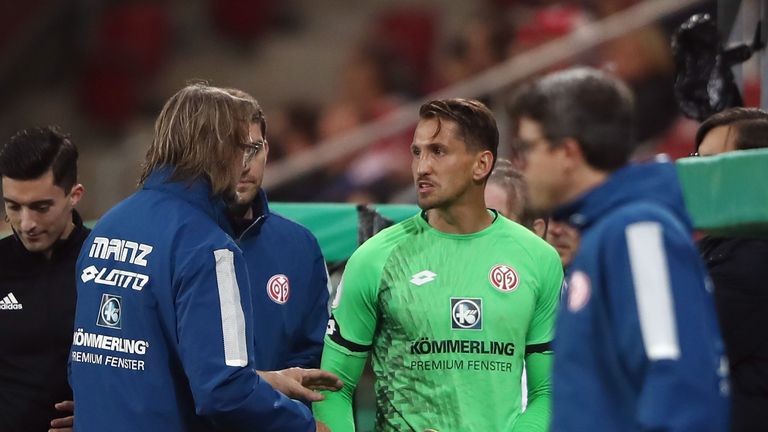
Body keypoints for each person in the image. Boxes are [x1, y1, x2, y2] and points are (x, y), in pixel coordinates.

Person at [69, 83, 338, 431]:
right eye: (239, 148)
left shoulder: (107, 228)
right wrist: (303, 427)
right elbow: (224, 391)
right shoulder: (208, 245)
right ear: (212, 149)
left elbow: (88, 363)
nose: (244, 162)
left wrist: (265, 381)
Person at [314, 98, 563, 431]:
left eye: (438, 152)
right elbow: (332, 387)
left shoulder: (538, 259)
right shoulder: (375, 258)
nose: (422, 167)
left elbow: (548, 393)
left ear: (481, 165)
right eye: (417, 152)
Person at [508, 66, 729, 432]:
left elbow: (678, 385)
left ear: (567, 152)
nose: (520, 164)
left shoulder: (639, 232)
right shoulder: (605, 234)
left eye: (527, 148)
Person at [225, 88, 330, 371]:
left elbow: (315, 354)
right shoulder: (178, 241)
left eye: (253, 149)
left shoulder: (300, 247)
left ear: (267, 151)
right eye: (232, 149)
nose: (244, 165)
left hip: (279, 414)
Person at [0, 127, 86, 432]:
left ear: (74, 195)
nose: (26, 224)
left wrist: (102, 413)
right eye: (13, 206)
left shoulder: (106, 262)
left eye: (41, 207)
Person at [693, 107, 768, 432]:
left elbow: (687, 351)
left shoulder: (753, 255)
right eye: (697, 159)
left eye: (711, 162)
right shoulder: (719, 244)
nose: (697, 173)